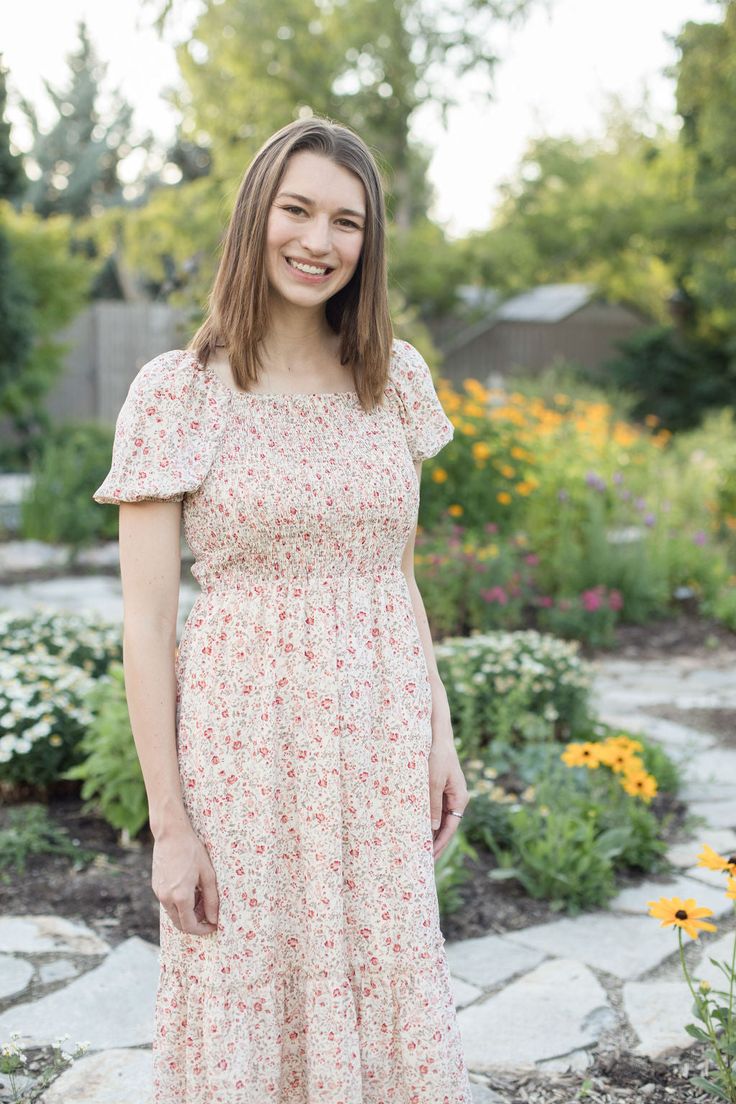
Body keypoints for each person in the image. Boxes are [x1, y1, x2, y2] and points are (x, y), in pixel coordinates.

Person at [93, 115, 473, 1103]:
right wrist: (169, 824)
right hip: (246, 748)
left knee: (384, 978)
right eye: (297, 210)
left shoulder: (394, 381)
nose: (319, 241)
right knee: (248, 986)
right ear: (255, 214)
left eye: (346, 221)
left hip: (379, 738)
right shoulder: (176, 394)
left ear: (369, 241)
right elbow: (145, 626)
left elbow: (397, 573)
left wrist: (439, 732)